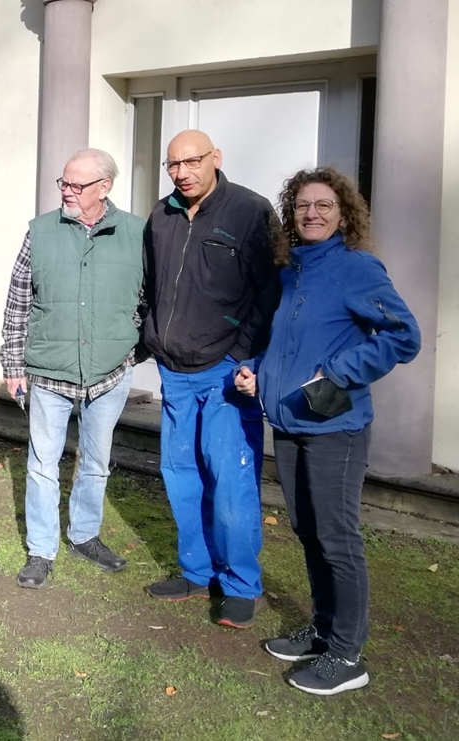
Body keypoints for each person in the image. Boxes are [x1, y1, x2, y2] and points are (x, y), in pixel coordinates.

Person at [235, 167, 419, 695]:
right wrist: (256, 369)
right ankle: (322, 629)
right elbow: (283, 341)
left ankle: (347, 656)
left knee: (338, 539)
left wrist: (339, 373)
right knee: (308, 531)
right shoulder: (291, 270)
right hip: (290, 422)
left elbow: (403, 337)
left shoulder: (358, 269)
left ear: (344, 214)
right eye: (302, 206)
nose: (311, 214)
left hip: (335, 425)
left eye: (324, 206)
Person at [141, 129, 279, 629]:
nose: (182, 173)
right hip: (174, 372)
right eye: (173, 165)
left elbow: (270, 294)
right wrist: (150, 340)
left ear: (215, 159)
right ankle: (196, 572)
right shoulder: (162, 215)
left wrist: (246, 355)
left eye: (191, 161)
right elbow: (152, 285)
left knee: (231, 482)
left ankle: (240, 584)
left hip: (225, 370)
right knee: (182, 478)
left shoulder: (251, 211)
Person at [0, 149, 145, 588]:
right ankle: (41, 552)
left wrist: (126, 345)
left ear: (104, 188)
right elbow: (18, 300)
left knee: (96, 462)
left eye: (76, 185)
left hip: (110, 373)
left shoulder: (137, 233)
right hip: (48, 372)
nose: (66, 191)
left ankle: (84, 535)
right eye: (63, 183)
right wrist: (12, 362)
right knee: (43, 464)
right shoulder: (40, 232)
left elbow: (147, 300)